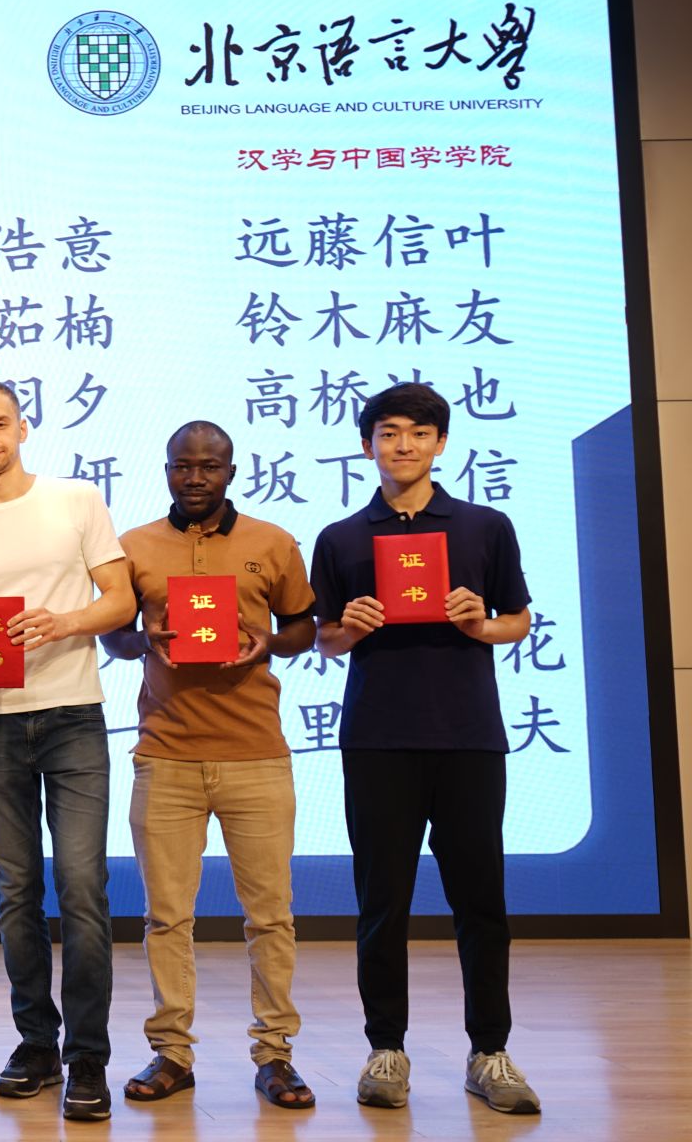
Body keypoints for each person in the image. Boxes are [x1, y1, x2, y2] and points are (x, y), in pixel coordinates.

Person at [310, 382, 541, 1114]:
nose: (402, 445)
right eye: (388, 432)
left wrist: (480, 625)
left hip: (468, 737)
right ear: (367, 445)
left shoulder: (485, 526)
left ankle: (490, 1051)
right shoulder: (341, 537)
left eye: (417, 432)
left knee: (482, 901)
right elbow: (322, 639)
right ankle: (386, 1049)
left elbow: (518, 620)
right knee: (382, 902)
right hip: (377, 739)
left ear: (440, 443)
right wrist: (348, 627)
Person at [0, 380, 133, 1121]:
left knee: (82, 886)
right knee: (16, 891)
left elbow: (121, 601)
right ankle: (36, 1043)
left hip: (74, 715)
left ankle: (88, 1056)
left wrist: (63, 622)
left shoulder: (76, 500)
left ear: (23, 427)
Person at [98, 421, 319, 1110]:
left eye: (210, 466)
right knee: (166, 919)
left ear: (231, 471)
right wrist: (144, 640)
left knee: (270, 917)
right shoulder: (134, 546)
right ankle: (172, 1052)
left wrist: (267, 643)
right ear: (166, 470)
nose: (195, 478)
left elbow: (304, 627)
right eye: (182, 466)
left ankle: (275, 1055)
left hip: (257, 756)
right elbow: (114, 636)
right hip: (165, 756)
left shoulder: (273, 542)